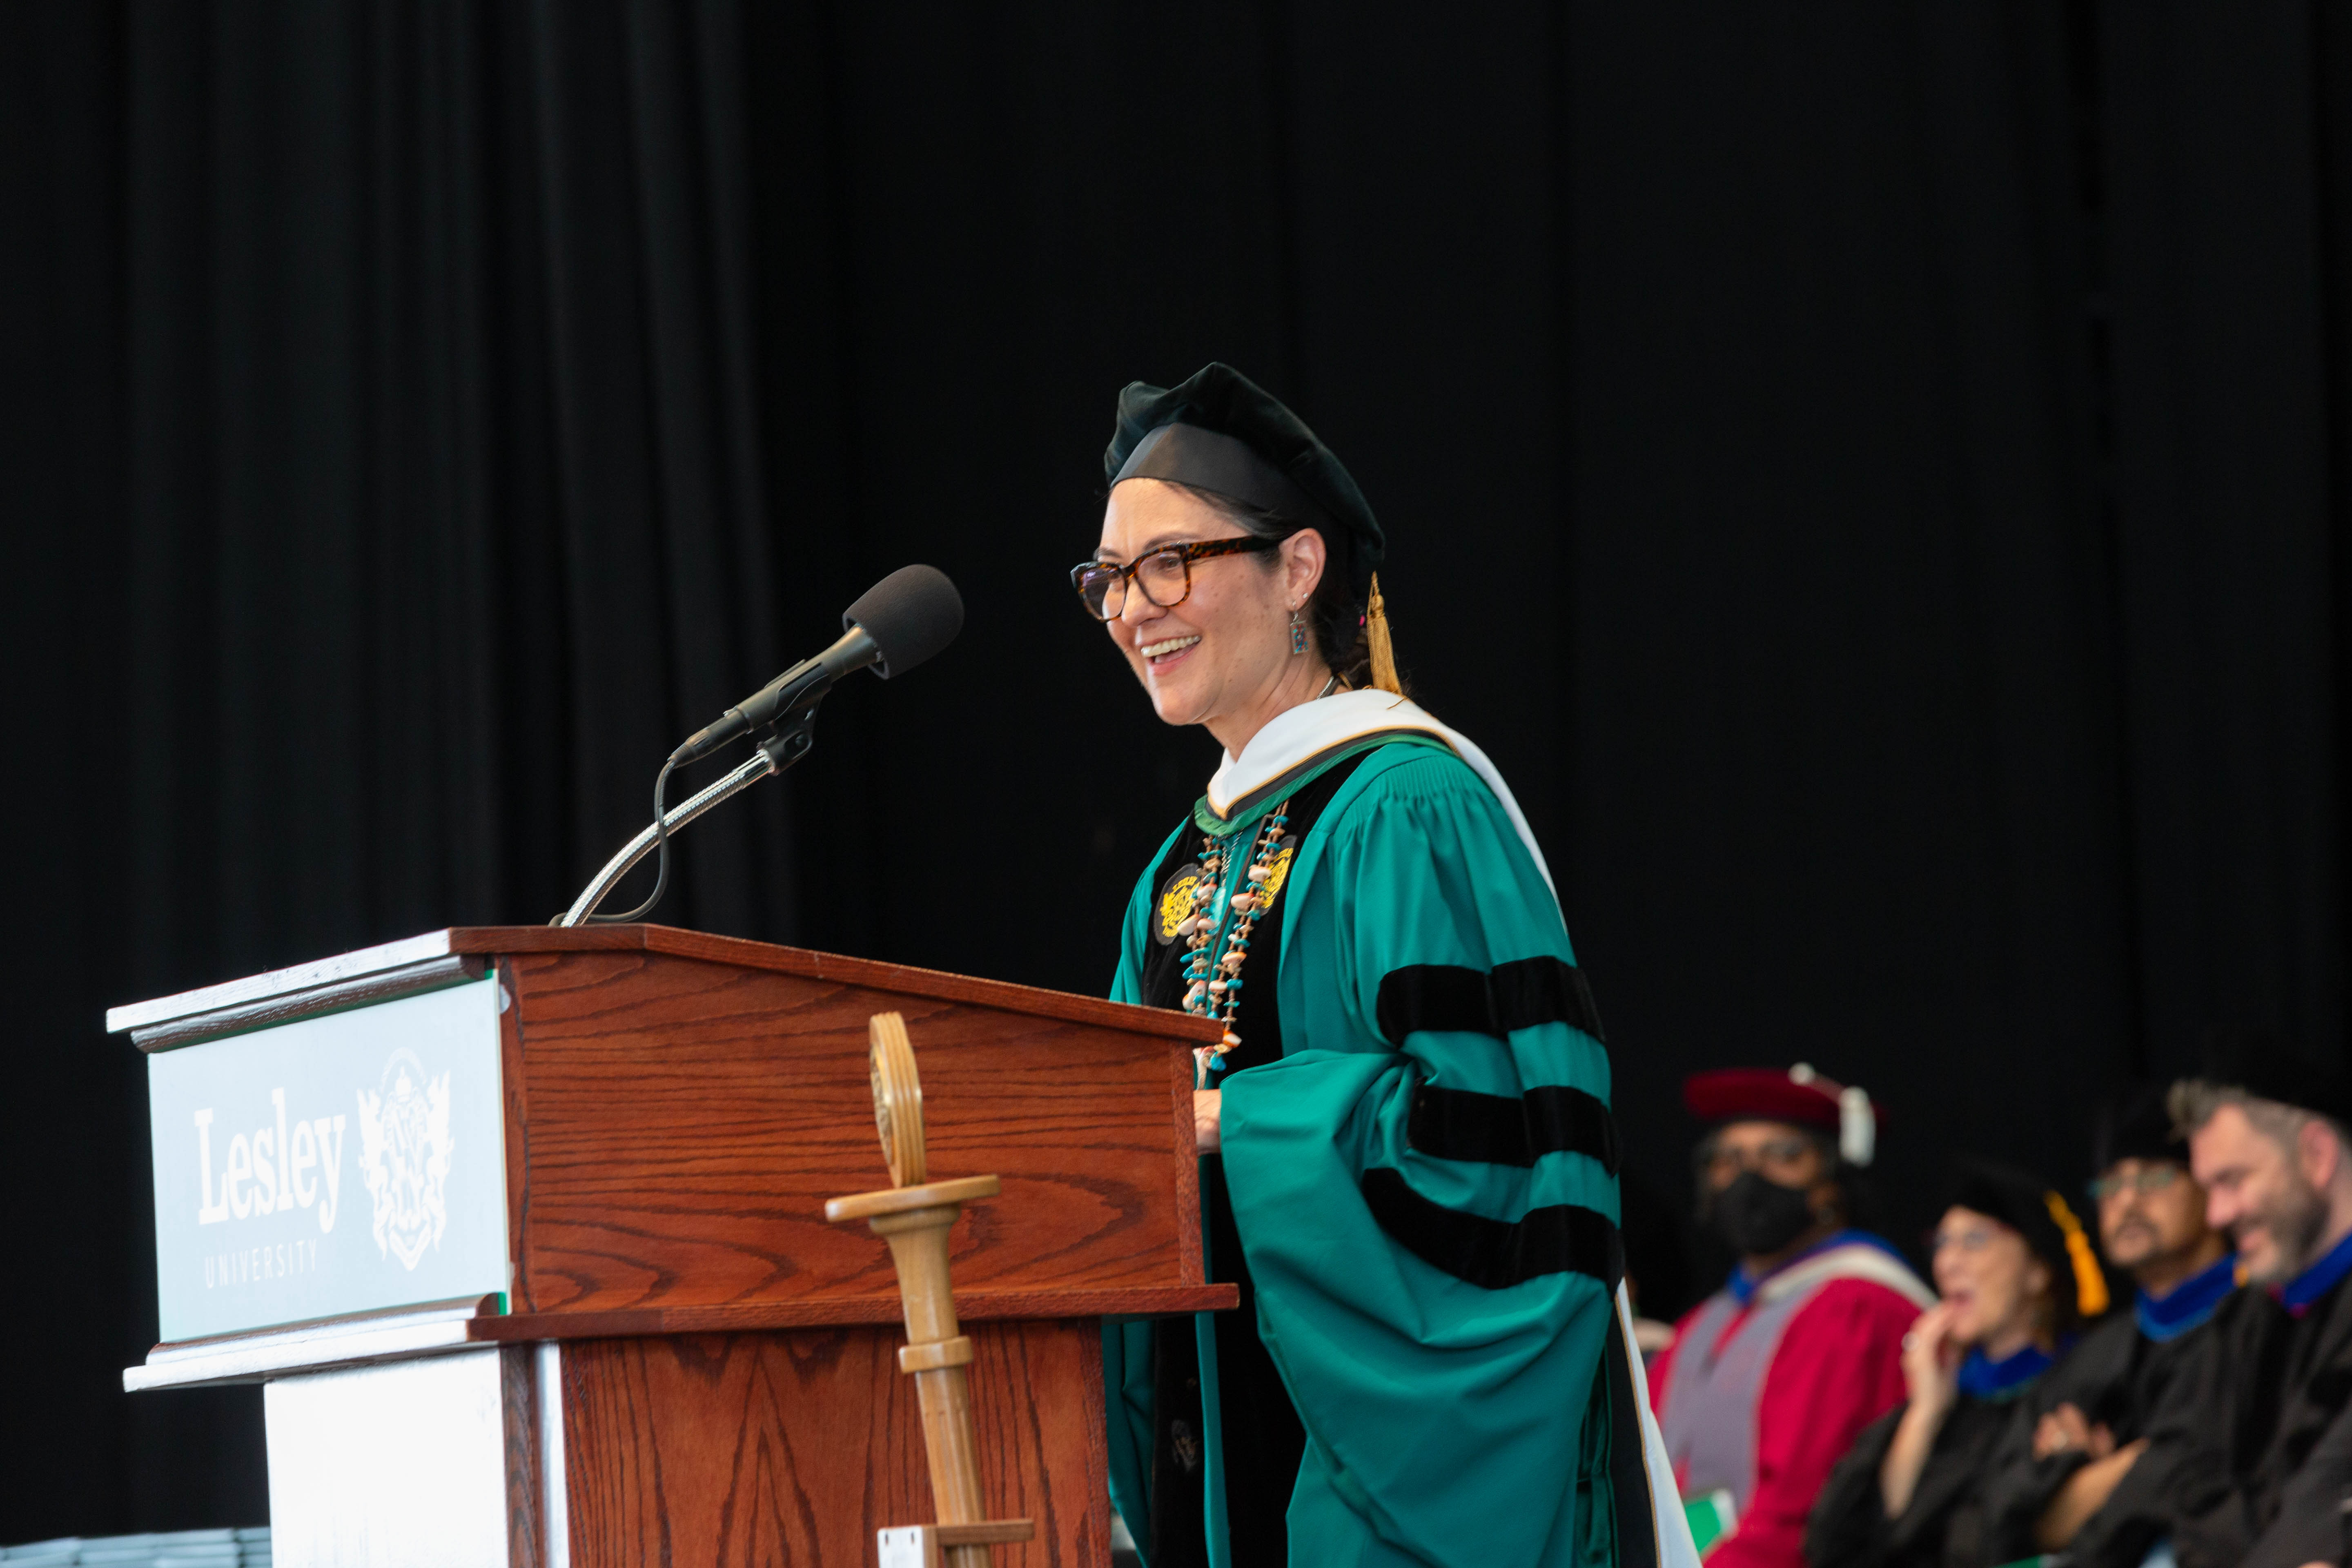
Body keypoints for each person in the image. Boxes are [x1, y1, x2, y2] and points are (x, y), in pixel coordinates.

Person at [1082, 363, 1695, 1568]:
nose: (1131, 608)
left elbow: (1508, 1148)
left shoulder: (1409, 805)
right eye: (1108, 577)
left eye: (1171, 562)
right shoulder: (1174, 871)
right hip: (1221, 1461)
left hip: (1398, 1480)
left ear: (1298, 567)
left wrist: (1232, 1123)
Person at [2070, 1049, 2352, 1568]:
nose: (2218, 1214)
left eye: (2233, 1180)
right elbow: (2184, 1487)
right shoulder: (2245, 1324)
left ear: (2316, 1155)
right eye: (2208, 1188)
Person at [1645, 1065, 1933, 1567]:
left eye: (1782, 1155)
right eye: (1727, 1159)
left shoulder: (1857, 1307)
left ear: (1830, 1184)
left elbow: (1803, 1516)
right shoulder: (1702, 1325)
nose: (1747, 1177)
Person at [1804, 1161, 2110, 1568]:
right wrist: (1925, 1413)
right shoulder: (1948, 1398)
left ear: (2037, 1271)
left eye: (1974, 1240)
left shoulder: (2090, 1385)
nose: (1947, 1262)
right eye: (1942, 1243)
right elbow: (1846, 1547)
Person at [1976, 1081, 2236, 1560]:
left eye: (2153, 1178)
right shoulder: (2092, 1359)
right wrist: (2124, 1469)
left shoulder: (2260, 1323)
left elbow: (2202, 1473)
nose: (2128, 1202)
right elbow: (1997, 1520)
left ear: (2209, 1184)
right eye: (2110, 1184)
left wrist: (2073, 1489)